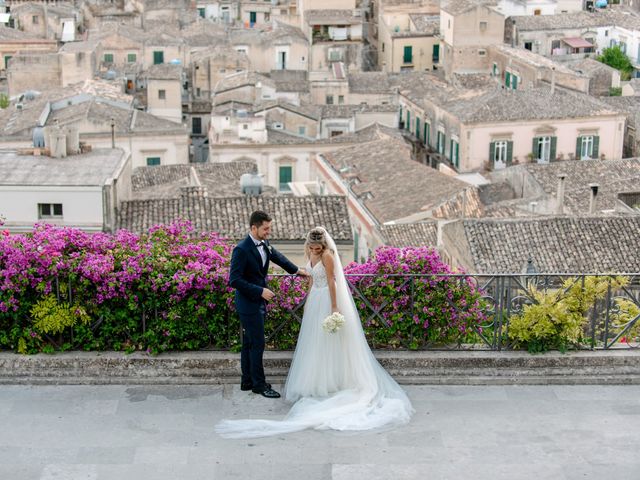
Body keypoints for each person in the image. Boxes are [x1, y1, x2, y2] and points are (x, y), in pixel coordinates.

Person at [216, 227, 413, 438]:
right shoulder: (303, 253)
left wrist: (335, 307)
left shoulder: (328, 256)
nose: (314, 250)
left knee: (328, 342)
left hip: (327, 300)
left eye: (317, 247)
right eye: (311, 247)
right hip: (314, 302)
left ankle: (329, 382)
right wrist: (307, 296)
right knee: (311, 343)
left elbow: (331, 281)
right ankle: (254, 381)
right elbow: (308, 277)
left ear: (324, 245)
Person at [228, 210, 308, 399]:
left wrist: (297, 270)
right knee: (258, 344)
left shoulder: (265, 243)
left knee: (249, 343)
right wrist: (260, 291)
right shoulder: (241, 249)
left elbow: (277, 257)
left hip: (257, 303)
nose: (268, 232)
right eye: (265, 229)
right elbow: (234, 280)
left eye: (269, 228)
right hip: (248, 303)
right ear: (253, 228)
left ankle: (247, 381)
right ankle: (259, 385)